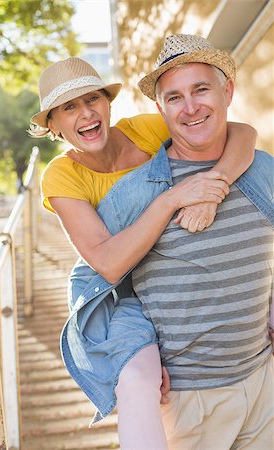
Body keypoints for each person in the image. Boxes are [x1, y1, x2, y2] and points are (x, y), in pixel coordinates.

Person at [29, 55, 257, 449]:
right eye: (69, 108)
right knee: (137, 379)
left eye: (92, 99)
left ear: (107, 103)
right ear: (52, 125)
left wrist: (213, 185)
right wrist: (172, 199)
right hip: (118, 294)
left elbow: (244, 134)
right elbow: (110, 263)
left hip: (175, 267)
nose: (86, 114)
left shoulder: (147, 130)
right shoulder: (61, 175)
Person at [81, 34, 273, 449]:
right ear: (160, 109)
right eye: (174, 97)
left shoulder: (261, 168)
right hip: (190, 400)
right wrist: (132, 358)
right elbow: (93, 280)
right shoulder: (136, 194)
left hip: (264, 383)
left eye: (201, 89)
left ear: (228, 92)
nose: (190, 108)